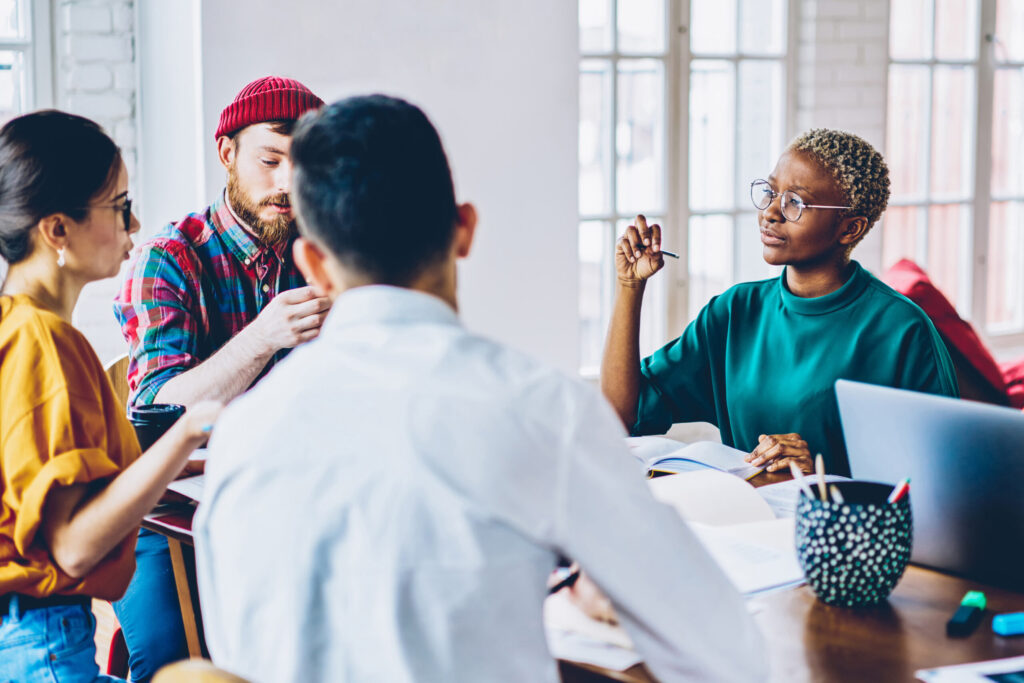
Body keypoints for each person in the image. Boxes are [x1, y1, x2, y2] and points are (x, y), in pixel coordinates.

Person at [194, 95, 766, 682]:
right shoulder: (541, 408)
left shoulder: (243, 432)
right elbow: (726, 653)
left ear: (313, 264)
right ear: (464, 229)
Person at [110, 76, 327, 681]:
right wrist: (263, 335)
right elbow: (153, 411)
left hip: (285, 503)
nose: (287, 182)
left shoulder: (325, 251)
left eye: (304, 163)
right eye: (270, 159)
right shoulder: (171, 257)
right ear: (227, 153)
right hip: (164, 512)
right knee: (169, 660)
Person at [0, 110, 219, 682]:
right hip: (44, 649)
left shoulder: (16, 329)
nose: (135, 224)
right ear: (57, 231)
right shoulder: (45, 343)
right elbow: (73, 548)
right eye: (120, 208)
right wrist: (188, 432)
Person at [601, 129, 958, 477]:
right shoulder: (735, 312)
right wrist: (629, 286)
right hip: (744, 523)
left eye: (795, 202)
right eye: (771, 192)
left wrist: (816, 474)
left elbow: (940, 478)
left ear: (849, 229)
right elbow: (620, 415)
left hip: (842, 532)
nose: (771, 212)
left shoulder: (902, 330)